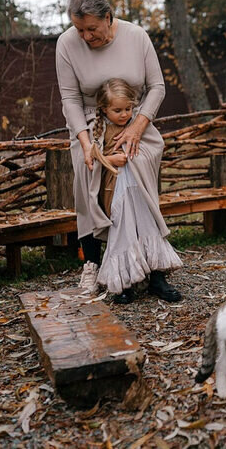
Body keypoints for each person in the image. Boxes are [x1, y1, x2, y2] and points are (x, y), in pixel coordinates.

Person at [56, 0, 182, 302]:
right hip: (90, 127)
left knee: (138, 192)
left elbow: (157, 87)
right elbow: (70, 98)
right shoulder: (66, 44)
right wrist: (85, 143)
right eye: (79, 29)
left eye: (92, 29)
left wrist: (139, 126)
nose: (85, 36)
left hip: (135, 123)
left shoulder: (136, 36)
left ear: (109, 18)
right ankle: (94, 264)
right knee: (93, 194)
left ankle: (154, 271)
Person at [78, 79, 182, 304]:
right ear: (104, 108)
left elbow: (155, 147)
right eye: (117, 110)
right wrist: (110, 159)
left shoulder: (138, 125)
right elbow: (91, 163)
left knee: (147, 227)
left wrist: (134, 155)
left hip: (140, 191)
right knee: (122, 233)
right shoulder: (97, 130)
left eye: (128, 109)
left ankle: (157, 278)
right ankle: (124, 283)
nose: (124, 114)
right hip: (115, 193)